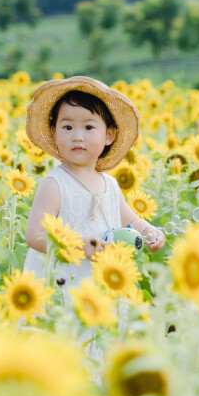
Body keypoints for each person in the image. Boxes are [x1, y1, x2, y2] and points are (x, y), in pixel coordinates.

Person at [23, 75, 165, 287]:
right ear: (54, 133)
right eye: (67, 127)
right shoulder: (55, 184)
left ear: (109, 135)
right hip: (60, 282)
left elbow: (132, 221)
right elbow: (34, 235)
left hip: (98, 285)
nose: (77, 136)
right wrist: (79, 247)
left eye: (89, 127)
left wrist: (149, 232)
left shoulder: (110, 185)